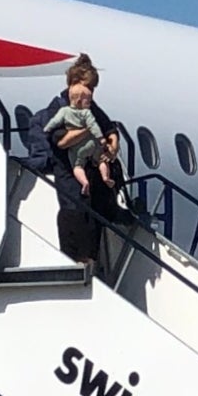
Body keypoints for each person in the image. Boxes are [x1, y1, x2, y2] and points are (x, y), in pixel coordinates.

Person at [38, 55, 124, 264]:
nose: (90, 94)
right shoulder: (59, 108)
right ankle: (75, 258)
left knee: (94, 212)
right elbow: (61, 141)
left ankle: (92, 255)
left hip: (90, 168)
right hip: (69, 169)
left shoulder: (89, 106)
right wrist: (88, 130)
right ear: (74, 85)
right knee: (74, 211)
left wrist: (113, 143)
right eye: (88, 88)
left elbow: (109, 127)